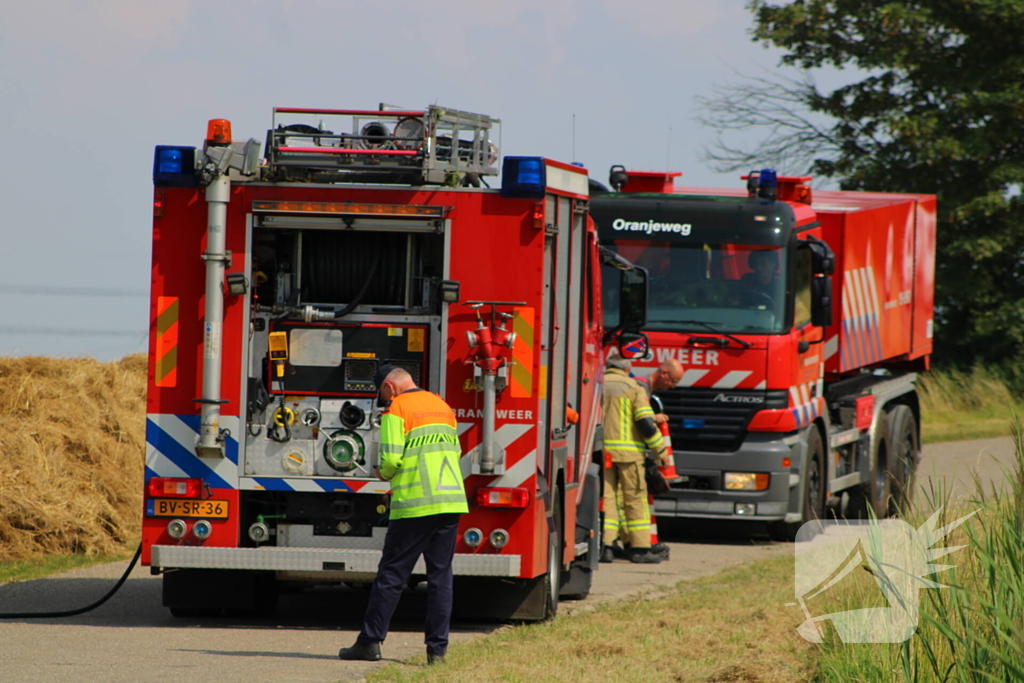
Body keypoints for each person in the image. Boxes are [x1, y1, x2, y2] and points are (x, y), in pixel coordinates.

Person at [338, 364, 468, 666]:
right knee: (440, 577)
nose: (383, 399)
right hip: (450, 501)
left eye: (381, 394)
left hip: (415, 503)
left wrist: (382, 473)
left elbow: (392, 458)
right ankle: (437, 652)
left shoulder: (397, 407)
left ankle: (369, 642)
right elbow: (456, 450)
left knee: (392, 575)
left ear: (388, 387)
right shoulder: (441, 405)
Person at [600, 355, 668, 564]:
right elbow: (646, 423)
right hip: (629, 455)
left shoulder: (597, 385)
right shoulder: (633, 386)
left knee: (608, 499)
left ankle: (607, 547)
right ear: (627, 368)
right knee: (635, 499)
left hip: (602, 453)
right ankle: (639, 549)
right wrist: (660, 452)